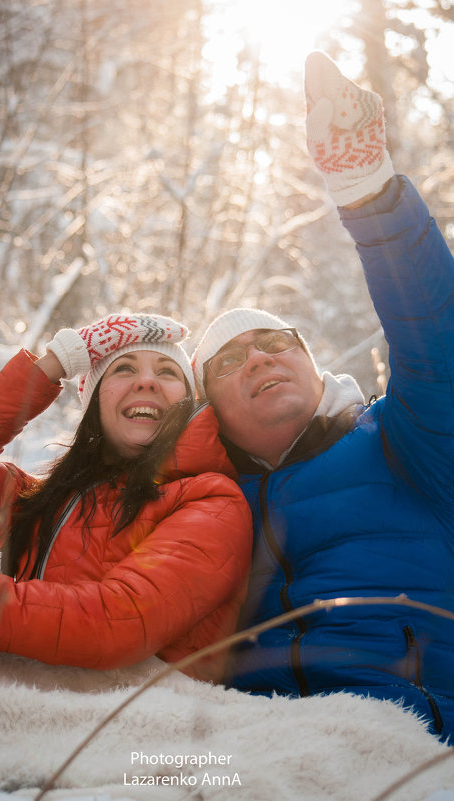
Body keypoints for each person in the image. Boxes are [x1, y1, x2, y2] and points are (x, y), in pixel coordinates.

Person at [191, 52, 454, 739]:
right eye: (228, 361)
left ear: (313, 366)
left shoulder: (405, 442)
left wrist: (368, 192)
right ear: (207, 409)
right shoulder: (199, 500)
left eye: (276, 342)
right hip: (249, 746)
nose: (257, 357)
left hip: (412, 738)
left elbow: (436, 344)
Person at [0, 313, 252, 682]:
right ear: (95, 402)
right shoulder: (52, 505)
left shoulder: (213, 502)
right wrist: (58, 361)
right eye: (124, 369)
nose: (146, 381)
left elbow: (116, 621)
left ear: (190, 402)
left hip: (142, 723)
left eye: (168, 372)